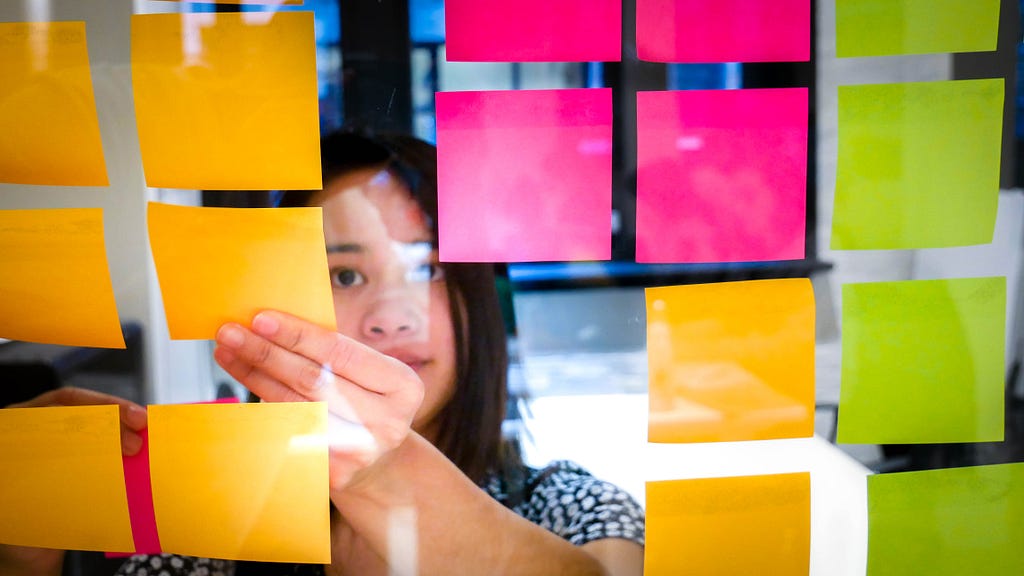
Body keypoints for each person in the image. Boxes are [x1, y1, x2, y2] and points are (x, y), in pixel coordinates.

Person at [2, 131, 645, 576]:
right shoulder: (207, 535)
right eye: (344, 276)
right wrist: (22, 560)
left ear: (480, 299)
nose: (394, 316)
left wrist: (375, 470)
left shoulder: (573, 510)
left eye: (426, 269)